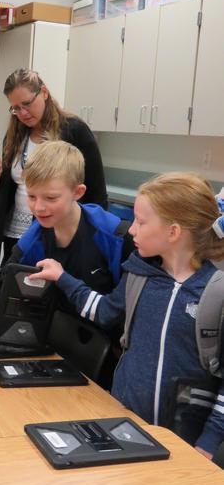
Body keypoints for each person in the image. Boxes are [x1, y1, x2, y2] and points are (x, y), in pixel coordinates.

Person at [26, 172, 224, 460]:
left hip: (186, 440)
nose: (131, 230)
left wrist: (208, 442)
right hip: (125, 421)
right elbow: (104, 312)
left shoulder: (216, 292)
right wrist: (63, 278)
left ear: (173, 232)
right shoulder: (138, 274)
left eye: (141, 222)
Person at [0, 141, 133, 384]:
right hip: (55, 352)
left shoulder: (114, 236)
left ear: (78, 192)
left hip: (107, 366)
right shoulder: (35, 236)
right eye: (31, 196)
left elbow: (126, 311)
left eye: (51, 198)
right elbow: (0, 284)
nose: (39, 207)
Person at [0, 68, 108, 264]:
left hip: (57, 233)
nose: (22, 113)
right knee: (11, 287)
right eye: (15, 108)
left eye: (27, 104)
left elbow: (97, 192)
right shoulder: (16, 134)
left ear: (44, 93)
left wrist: (89, 240)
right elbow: (10, 186)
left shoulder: (74, 130)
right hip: (15, 233)